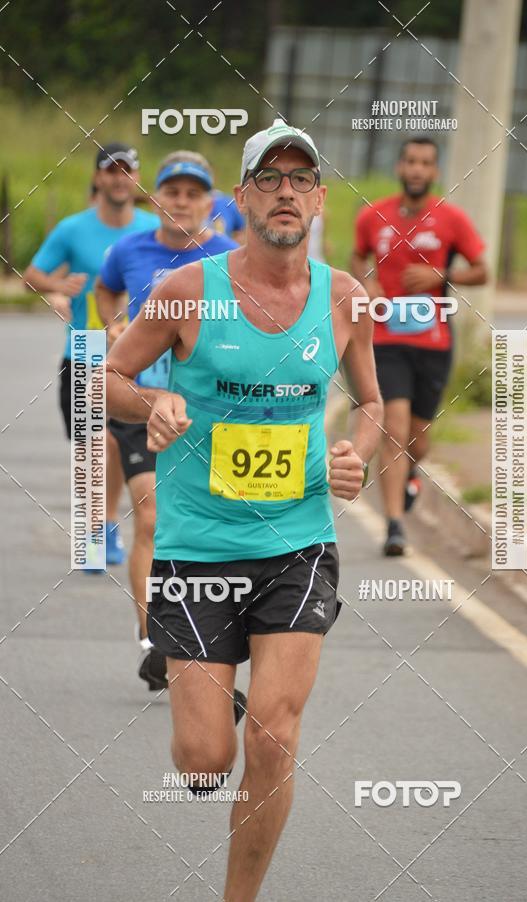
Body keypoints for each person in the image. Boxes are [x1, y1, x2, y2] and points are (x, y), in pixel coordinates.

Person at [105, 118, 382, 899]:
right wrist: (154, 401)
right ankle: (204, 700)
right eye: (269, 178)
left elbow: (371, 401)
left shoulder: (346, 298)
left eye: (301, 179)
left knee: (273, 737)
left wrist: (357, 452)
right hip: (197, 547)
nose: (285, 191)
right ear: (242, 198)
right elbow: (108, 378)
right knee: (204, 762)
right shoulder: (188, 291)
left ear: (319, 199)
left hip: (298, 542)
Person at [96, 151, 237, 690]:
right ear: (155, 198)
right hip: (142, 399)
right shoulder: (129, 250)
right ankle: (152, 638)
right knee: (151, 515)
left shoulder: (231, 258)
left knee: (209, 525)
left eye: (193, 193)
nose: (181, 201)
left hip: (207, 411)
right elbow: (106, 288)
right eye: (172, 192)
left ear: (210, 202)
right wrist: (115, 325)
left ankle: (204, 634)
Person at [23, 142, 160, 566]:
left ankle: (106, 522)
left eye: (127, 170)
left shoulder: (153, 228)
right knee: (94, 445)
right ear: (99, 178)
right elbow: (32, 275)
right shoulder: (72, 229)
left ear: (137, 178)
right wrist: (56, 287)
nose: (120, 178)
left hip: (139, 357)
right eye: (111, 170)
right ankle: (98, 529)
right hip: (85, 349)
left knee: (116, 443)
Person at [351, 135, 487, 556]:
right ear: (400, 167)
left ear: (435, 171)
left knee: (418, 440)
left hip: (433, 341)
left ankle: (409, 473)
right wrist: (367, 281)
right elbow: (357, 257)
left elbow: (482, 271)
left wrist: (441, 275)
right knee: (392, 429)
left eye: (425, 163)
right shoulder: (373, 216)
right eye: (410, 161)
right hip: (386, 338)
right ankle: (394, 526)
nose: (416, 169)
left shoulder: (451, 219)